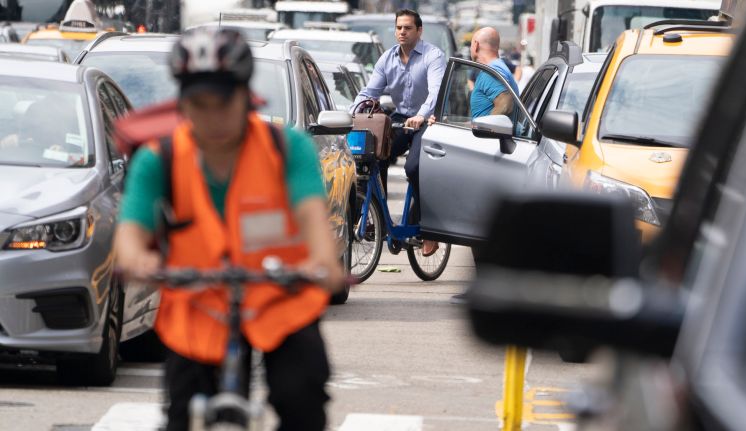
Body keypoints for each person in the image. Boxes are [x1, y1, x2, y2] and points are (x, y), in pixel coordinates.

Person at [114, 28, 344, 431]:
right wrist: (138, 260)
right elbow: (130, 235)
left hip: (281, 299)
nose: (212, 117)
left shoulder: (286, 148)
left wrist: (323, 262)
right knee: (182, 415)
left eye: (224, 102)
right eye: (199, 104)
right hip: (199, 302)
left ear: (245, 97)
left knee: (302, 398)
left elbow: (312, 218)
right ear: (181, 103)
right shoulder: (159, 159)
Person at [351, 9, 446, 256]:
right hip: (402, 118)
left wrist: (421, 116)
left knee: (414, 168)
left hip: (428, 120)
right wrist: (352, 112)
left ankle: (429, 228)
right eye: (399, 27)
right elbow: (369, 91)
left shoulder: (433, 56)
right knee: (373, 154)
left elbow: (435, 93)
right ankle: (380, 221)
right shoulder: (387, 58)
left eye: (408, 28)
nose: (402, 32)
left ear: (419, 30)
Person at [468, 27, 519, 118]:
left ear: (476, 45)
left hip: (486, 133)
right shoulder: (498, 67)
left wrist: (483, 127)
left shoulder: (490, 72)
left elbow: (505, 105)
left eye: (471, 45)